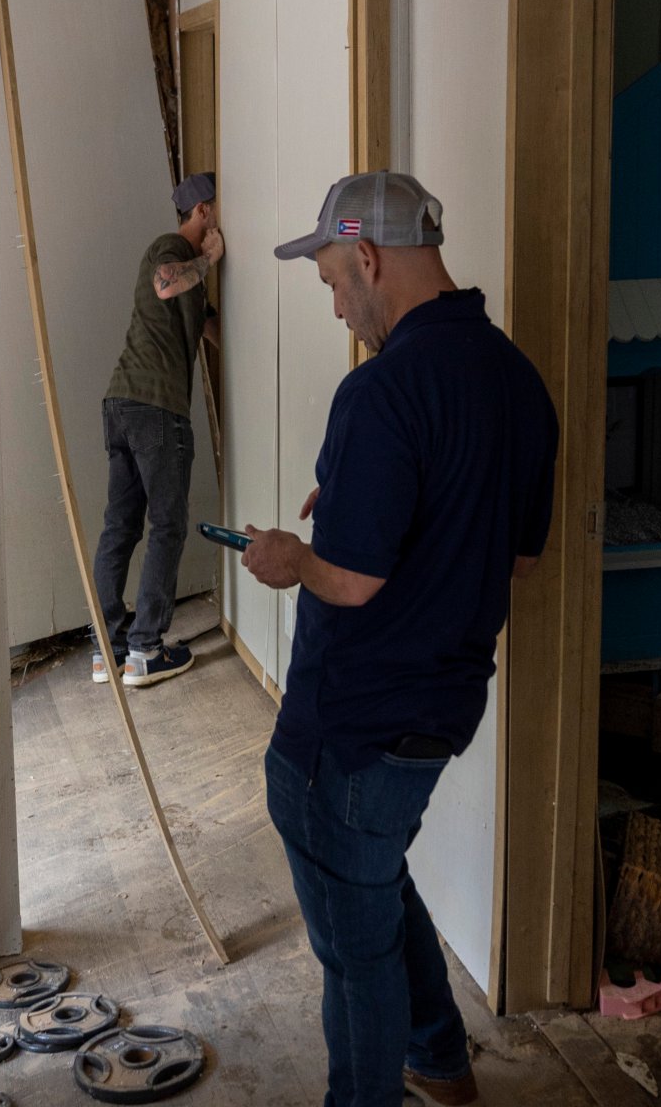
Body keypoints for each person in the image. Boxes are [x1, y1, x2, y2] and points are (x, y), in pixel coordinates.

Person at [237, 172, 558, 1107]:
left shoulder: (380, 392)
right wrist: (354, 513)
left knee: (353, 949)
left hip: (349, 724)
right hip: (442, 711)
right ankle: (442, 1062)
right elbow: (517, 560)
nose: (342, 305)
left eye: (337, 280)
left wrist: (296, 555)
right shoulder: (518, 381)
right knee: (372, 881)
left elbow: (357, 581)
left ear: (369, 257)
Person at [90, 170, 224, 689]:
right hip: (155, 409)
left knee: (121, 525)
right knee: (166, 524)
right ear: (203, 214)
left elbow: (209, 327)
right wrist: (210, 257)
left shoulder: (190, 274)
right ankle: (145, 651)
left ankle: (109, 651)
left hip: (123, 403)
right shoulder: (170, 248)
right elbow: (167, 283)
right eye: (216, 211)